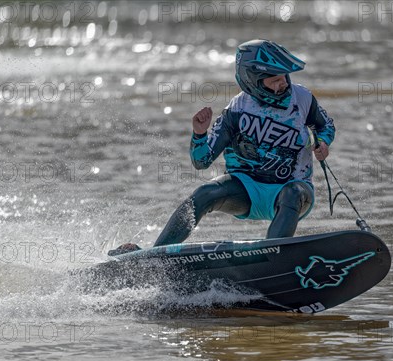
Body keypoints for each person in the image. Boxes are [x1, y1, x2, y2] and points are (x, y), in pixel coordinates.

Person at [109, 39, 335, 256]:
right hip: (247, 190)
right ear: (253, 81)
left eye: (284, 76)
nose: (283, 83)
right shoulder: (237, 110)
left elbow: (326, 126)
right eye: (274, 80)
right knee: (204, 194)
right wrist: (199, 134)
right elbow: (202, 161)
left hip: (292, 189)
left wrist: (323, 143)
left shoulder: (303, 98)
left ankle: (272, 256)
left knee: (293, 193)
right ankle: (155, 256)